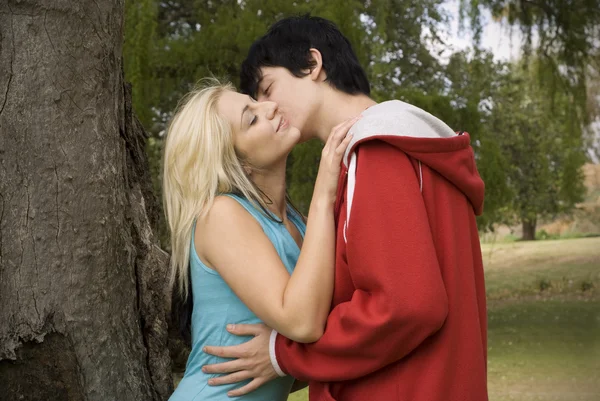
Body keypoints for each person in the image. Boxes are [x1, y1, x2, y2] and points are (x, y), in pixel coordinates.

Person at [201, 16, 489, 401]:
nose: (267, 109)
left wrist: (283, 353)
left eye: (267, 88)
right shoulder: (405, 148)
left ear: (312, 65)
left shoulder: (377, 150)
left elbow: (406, 307)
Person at [162, 79, 358, 401]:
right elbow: (303, 324)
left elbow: (326, 330)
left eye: (256, 102)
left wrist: (278, 358)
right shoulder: (220, 215)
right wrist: (324, 192)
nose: (270, 107)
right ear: (239, 164)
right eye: (251, 118)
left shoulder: (300, 226)